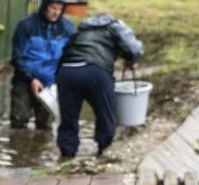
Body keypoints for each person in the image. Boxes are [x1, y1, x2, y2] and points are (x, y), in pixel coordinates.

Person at [55, 12, 143, 159]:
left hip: (67, 71)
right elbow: (134, 49)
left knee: (68, 118)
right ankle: (103, 152)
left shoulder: (81, 30)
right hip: (96, 72)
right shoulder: (115, 26)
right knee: (105, 114)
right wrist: (131, 60)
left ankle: (66, 156)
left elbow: (65, 51)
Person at [10, 0, 77, 131]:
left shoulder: (68, 28)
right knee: (18, 125)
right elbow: (17, 57)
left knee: (45, 127)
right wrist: (31, 79)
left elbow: (71, 56)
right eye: (53, 8)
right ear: (44, 6)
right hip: (24, 81)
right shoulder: (26, 26)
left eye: (59, 9)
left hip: (50, 85)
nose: (56, 12)